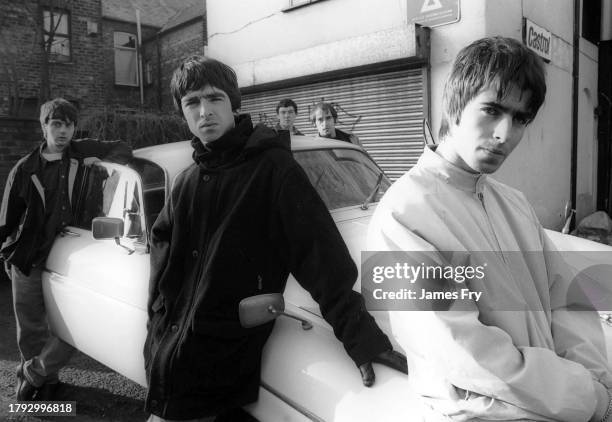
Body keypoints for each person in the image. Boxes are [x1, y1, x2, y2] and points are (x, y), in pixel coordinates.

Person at [144, 56, 406, 421]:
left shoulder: (272, 170)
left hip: (220, 360)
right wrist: (156, 321)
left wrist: (360, 337)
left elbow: (319, 254)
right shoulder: (186, 182)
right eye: (192, 103)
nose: (205, 111)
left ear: (234, 104)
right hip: (170, 351)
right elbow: (162, 258)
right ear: (182, 113)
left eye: (214, 98)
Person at [367, 36, 612, 421]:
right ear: (455, 104)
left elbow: (566, 298)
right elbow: (463, 353)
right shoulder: (399, 215)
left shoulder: (514, 202)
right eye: (492, 110)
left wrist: (593, 381)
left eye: (520, 118)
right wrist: (586, 396)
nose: (504, 134)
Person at [0, 98, 132, 401]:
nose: (62, 131)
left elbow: (122, 147)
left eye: (68, 125)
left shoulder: (82, 151)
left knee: (74, 324)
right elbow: (7, 219)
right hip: (29, 258)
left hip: (70, 256)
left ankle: (39, 374)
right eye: (56, 124)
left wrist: (103, 163)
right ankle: (37, 383)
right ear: (44, 126)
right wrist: (7, 255)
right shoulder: (25, 168)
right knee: (32, 327)